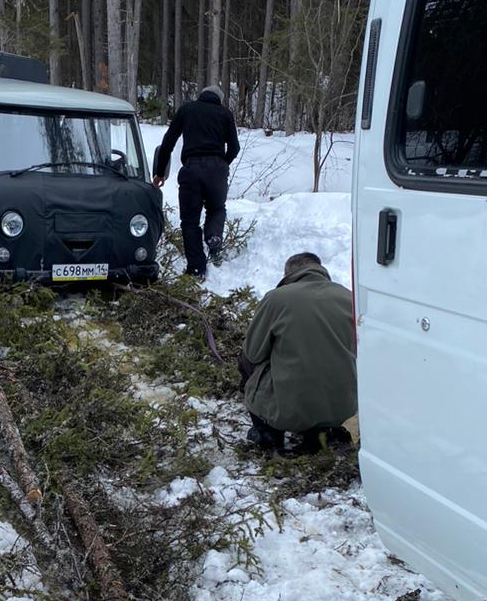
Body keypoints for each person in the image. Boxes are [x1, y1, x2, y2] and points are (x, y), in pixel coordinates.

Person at [240, 251, 357, 454]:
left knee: (247, 362)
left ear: (288, 275)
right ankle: (322, 432)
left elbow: (252, 353)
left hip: (289, 410)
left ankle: (267, 431)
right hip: (343, 408)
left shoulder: (277, 298)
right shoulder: (349, 298)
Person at [152, 84, 240, 278]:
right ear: (219, 99)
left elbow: (168, 143)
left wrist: (160, 173)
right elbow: (234, 147)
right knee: (216, 208)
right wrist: (222, 163)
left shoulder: (186, 110)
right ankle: (214, 236)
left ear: (201, 96)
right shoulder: (225, 114)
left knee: (190, 221)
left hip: (191, 170)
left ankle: (197, 268)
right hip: (217, 170)